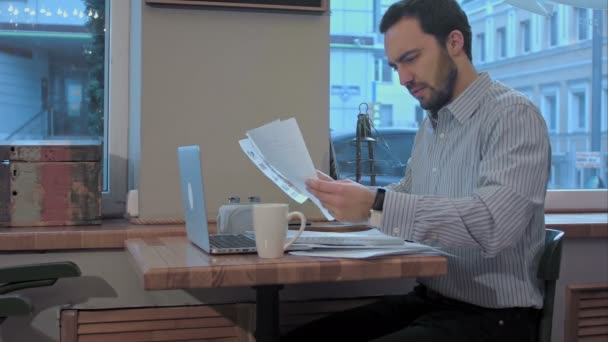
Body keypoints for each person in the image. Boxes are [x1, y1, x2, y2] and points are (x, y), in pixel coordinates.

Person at [283, 0, 551, 341]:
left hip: (496, 318)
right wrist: (339, 200)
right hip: (431, 300)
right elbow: (406, 197)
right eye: (396, 66)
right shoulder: (432, 125)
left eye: (410, 59)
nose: (403, 78)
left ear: (454, 43)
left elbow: (493, 225)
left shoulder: (513, 116)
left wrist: (374, 203)